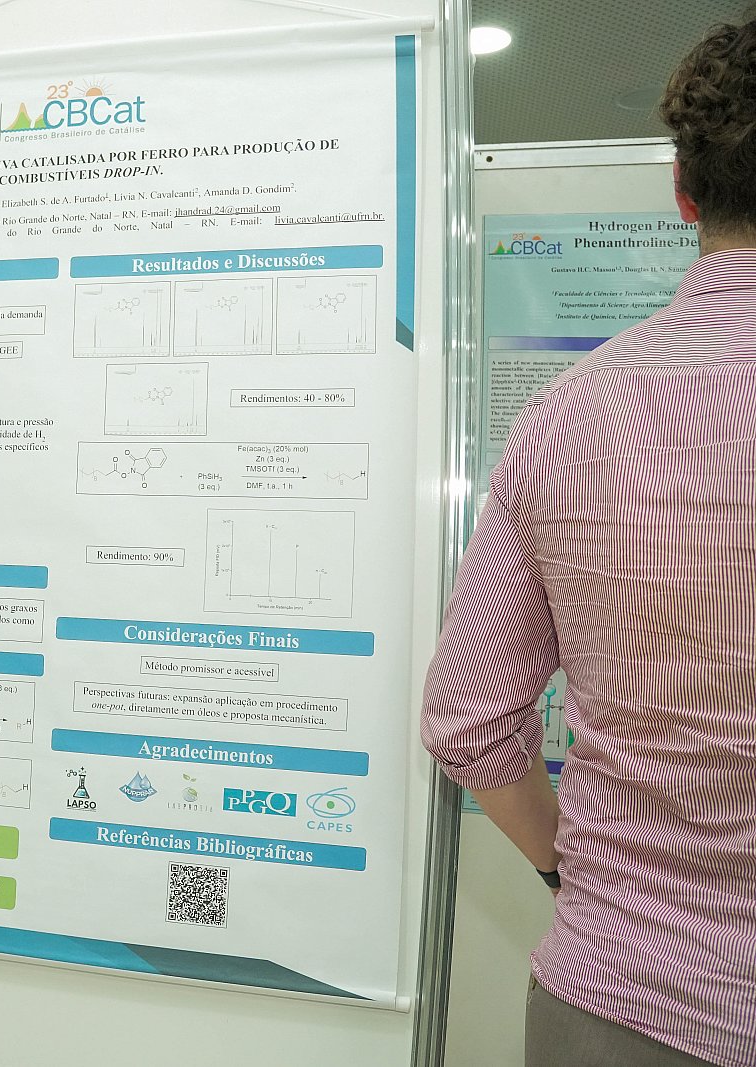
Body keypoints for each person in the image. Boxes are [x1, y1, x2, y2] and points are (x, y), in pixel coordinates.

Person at [421, 19, 756, 1067]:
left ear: (682, 193)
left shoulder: (568, 413)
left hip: (616, 1000)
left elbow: (467, 719)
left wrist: (578, 878)